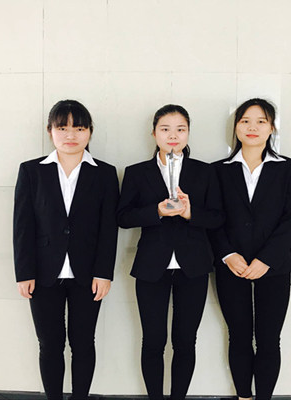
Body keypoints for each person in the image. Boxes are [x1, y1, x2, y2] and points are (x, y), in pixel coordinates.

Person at [13, 100, 119, 400]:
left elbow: (108, 229)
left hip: (89, 274)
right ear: (50, 131)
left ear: (90, 132)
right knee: (49, 344)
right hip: (43, 273)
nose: (70, 135)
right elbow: (22, 227)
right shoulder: (32, 171)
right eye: (62, 128)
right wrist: (24, 272)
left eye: (79, 128)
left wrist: (104, 272)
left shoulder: (104, 173)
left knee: (83, 343)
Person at [117, 104, 223, 400]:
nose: (173, 135)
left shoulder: (205, 171)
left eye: (180, 129)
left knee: (185, 341)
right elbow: (123, 217)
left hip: (194, 266)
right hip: (151, 267)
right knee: (152, 340)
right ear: (154, 133)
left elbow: (218, 217)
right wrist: (157, 211)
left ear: (188, 133)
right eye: (165, 129)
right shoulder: (137, 172)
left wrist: (190, 213)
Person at [210, 98, 291, 400]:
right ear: (236, 126)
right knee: (238, 336)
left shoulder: (290, 169)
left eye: (261, 121)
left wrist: (266, 259)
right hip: (231, 266)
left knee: (268, 339)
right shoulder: (217, 171)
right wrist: (227, 254)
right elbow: (213, 219)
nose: (252, 127)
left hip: (274, 267)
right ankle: (243, 396)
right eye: (245, 121)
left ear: (271, 128)